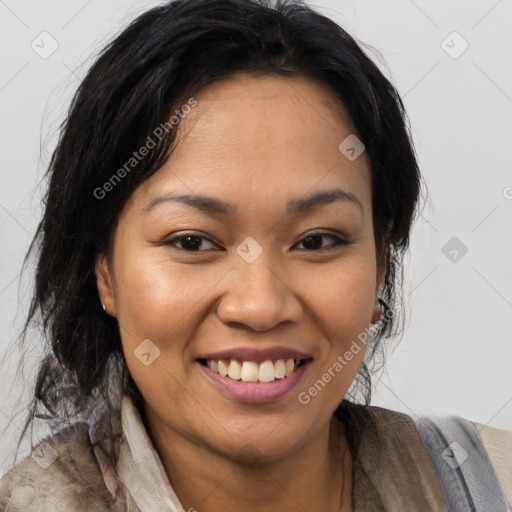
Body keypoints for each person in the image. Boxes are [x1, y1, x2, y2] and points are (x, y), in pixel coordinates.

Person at [0, 0, 510, 510]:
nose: (260, 306)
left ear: (380, 264)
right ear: (104, 272)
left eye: (317, 240)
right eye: (192, 241)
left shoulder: (491, 486)